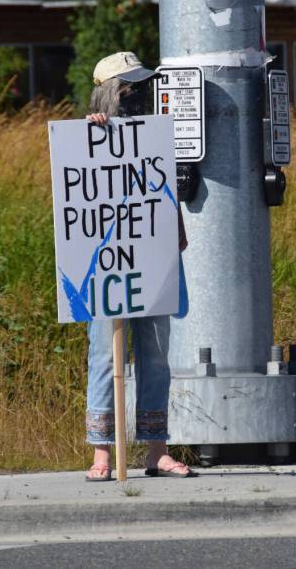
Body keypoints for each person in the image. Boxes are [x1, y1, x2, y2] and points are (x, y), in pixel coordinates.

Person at [82, 51, 193, 481]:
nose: (139, 97)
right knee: (104, 355)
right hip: (107, 263)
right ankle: (102, 454)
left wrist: (176, 224)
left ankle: (156, 451)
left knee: (157, 355)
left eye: (141, 88)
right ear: (111, 93)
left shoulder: (155, 138)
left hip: (154, 256)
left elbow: (164, 194)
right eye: (130, 90)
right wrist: (95, 134)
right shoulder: (85, 140)